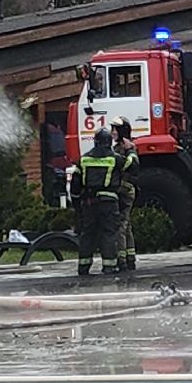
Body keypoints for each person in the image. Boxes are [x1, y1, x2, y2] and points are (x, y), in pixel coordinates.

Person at [69, 129, 127, 276]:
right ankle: (109, 267)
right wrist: (131, 150)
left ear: (95, 141)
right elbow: (133, 166)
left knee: (88, 234)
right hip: (109, 203)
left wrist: (77, 204)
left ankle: (83, 267)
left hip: (89, 203)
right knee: (109, 233)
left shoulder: (83, 159)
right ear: (109, 142)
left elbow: (75, 185)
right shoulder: (116, 159)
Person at [108, 117, 141, 271]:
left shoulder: (129, 149)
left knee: (121, 226)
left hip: (125, 192)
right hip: (122, 191)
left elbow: (130, 166)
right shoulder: (117, 148)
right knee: (126, 227)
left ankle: (121, 260)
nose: (113, 132)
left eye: (115, 129)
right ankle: (130, 258)